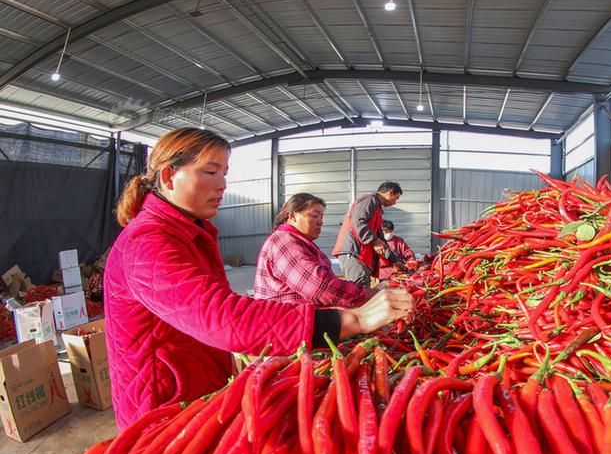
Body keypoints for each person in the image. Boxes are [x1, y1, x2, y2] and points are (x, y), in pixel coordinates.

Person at [105, 128, 414, 429]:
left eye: (224, 173)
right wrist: (352, 320)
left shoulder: (186, 234)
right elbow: (222, 316)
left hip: (193, 391)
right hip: (161, 409)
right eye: (210, 172)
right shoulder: (147, 242)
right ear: (169, 176)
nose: (222, 184)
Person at [254, 193, 374, 307]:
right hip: (288, 319)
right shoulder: (284, 242)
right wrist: (367, 294)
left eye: (321, 217)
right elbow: (319, 287)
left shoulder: (299, 241)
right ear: (292, 216)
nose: (320, 222)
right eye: (314, 215)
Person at [332, 181, 403, 286]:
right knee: (360, 289)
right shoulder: (369, 199)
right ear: (390, 193)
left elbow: (380, 239)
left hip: (361, 255)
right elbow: (357, 222)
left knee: (365, 288)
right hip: (353, 252)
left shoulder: (377, 210)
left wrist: (394, 260)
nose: (395, 203)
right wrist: (374, 240)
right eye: (396, 198)